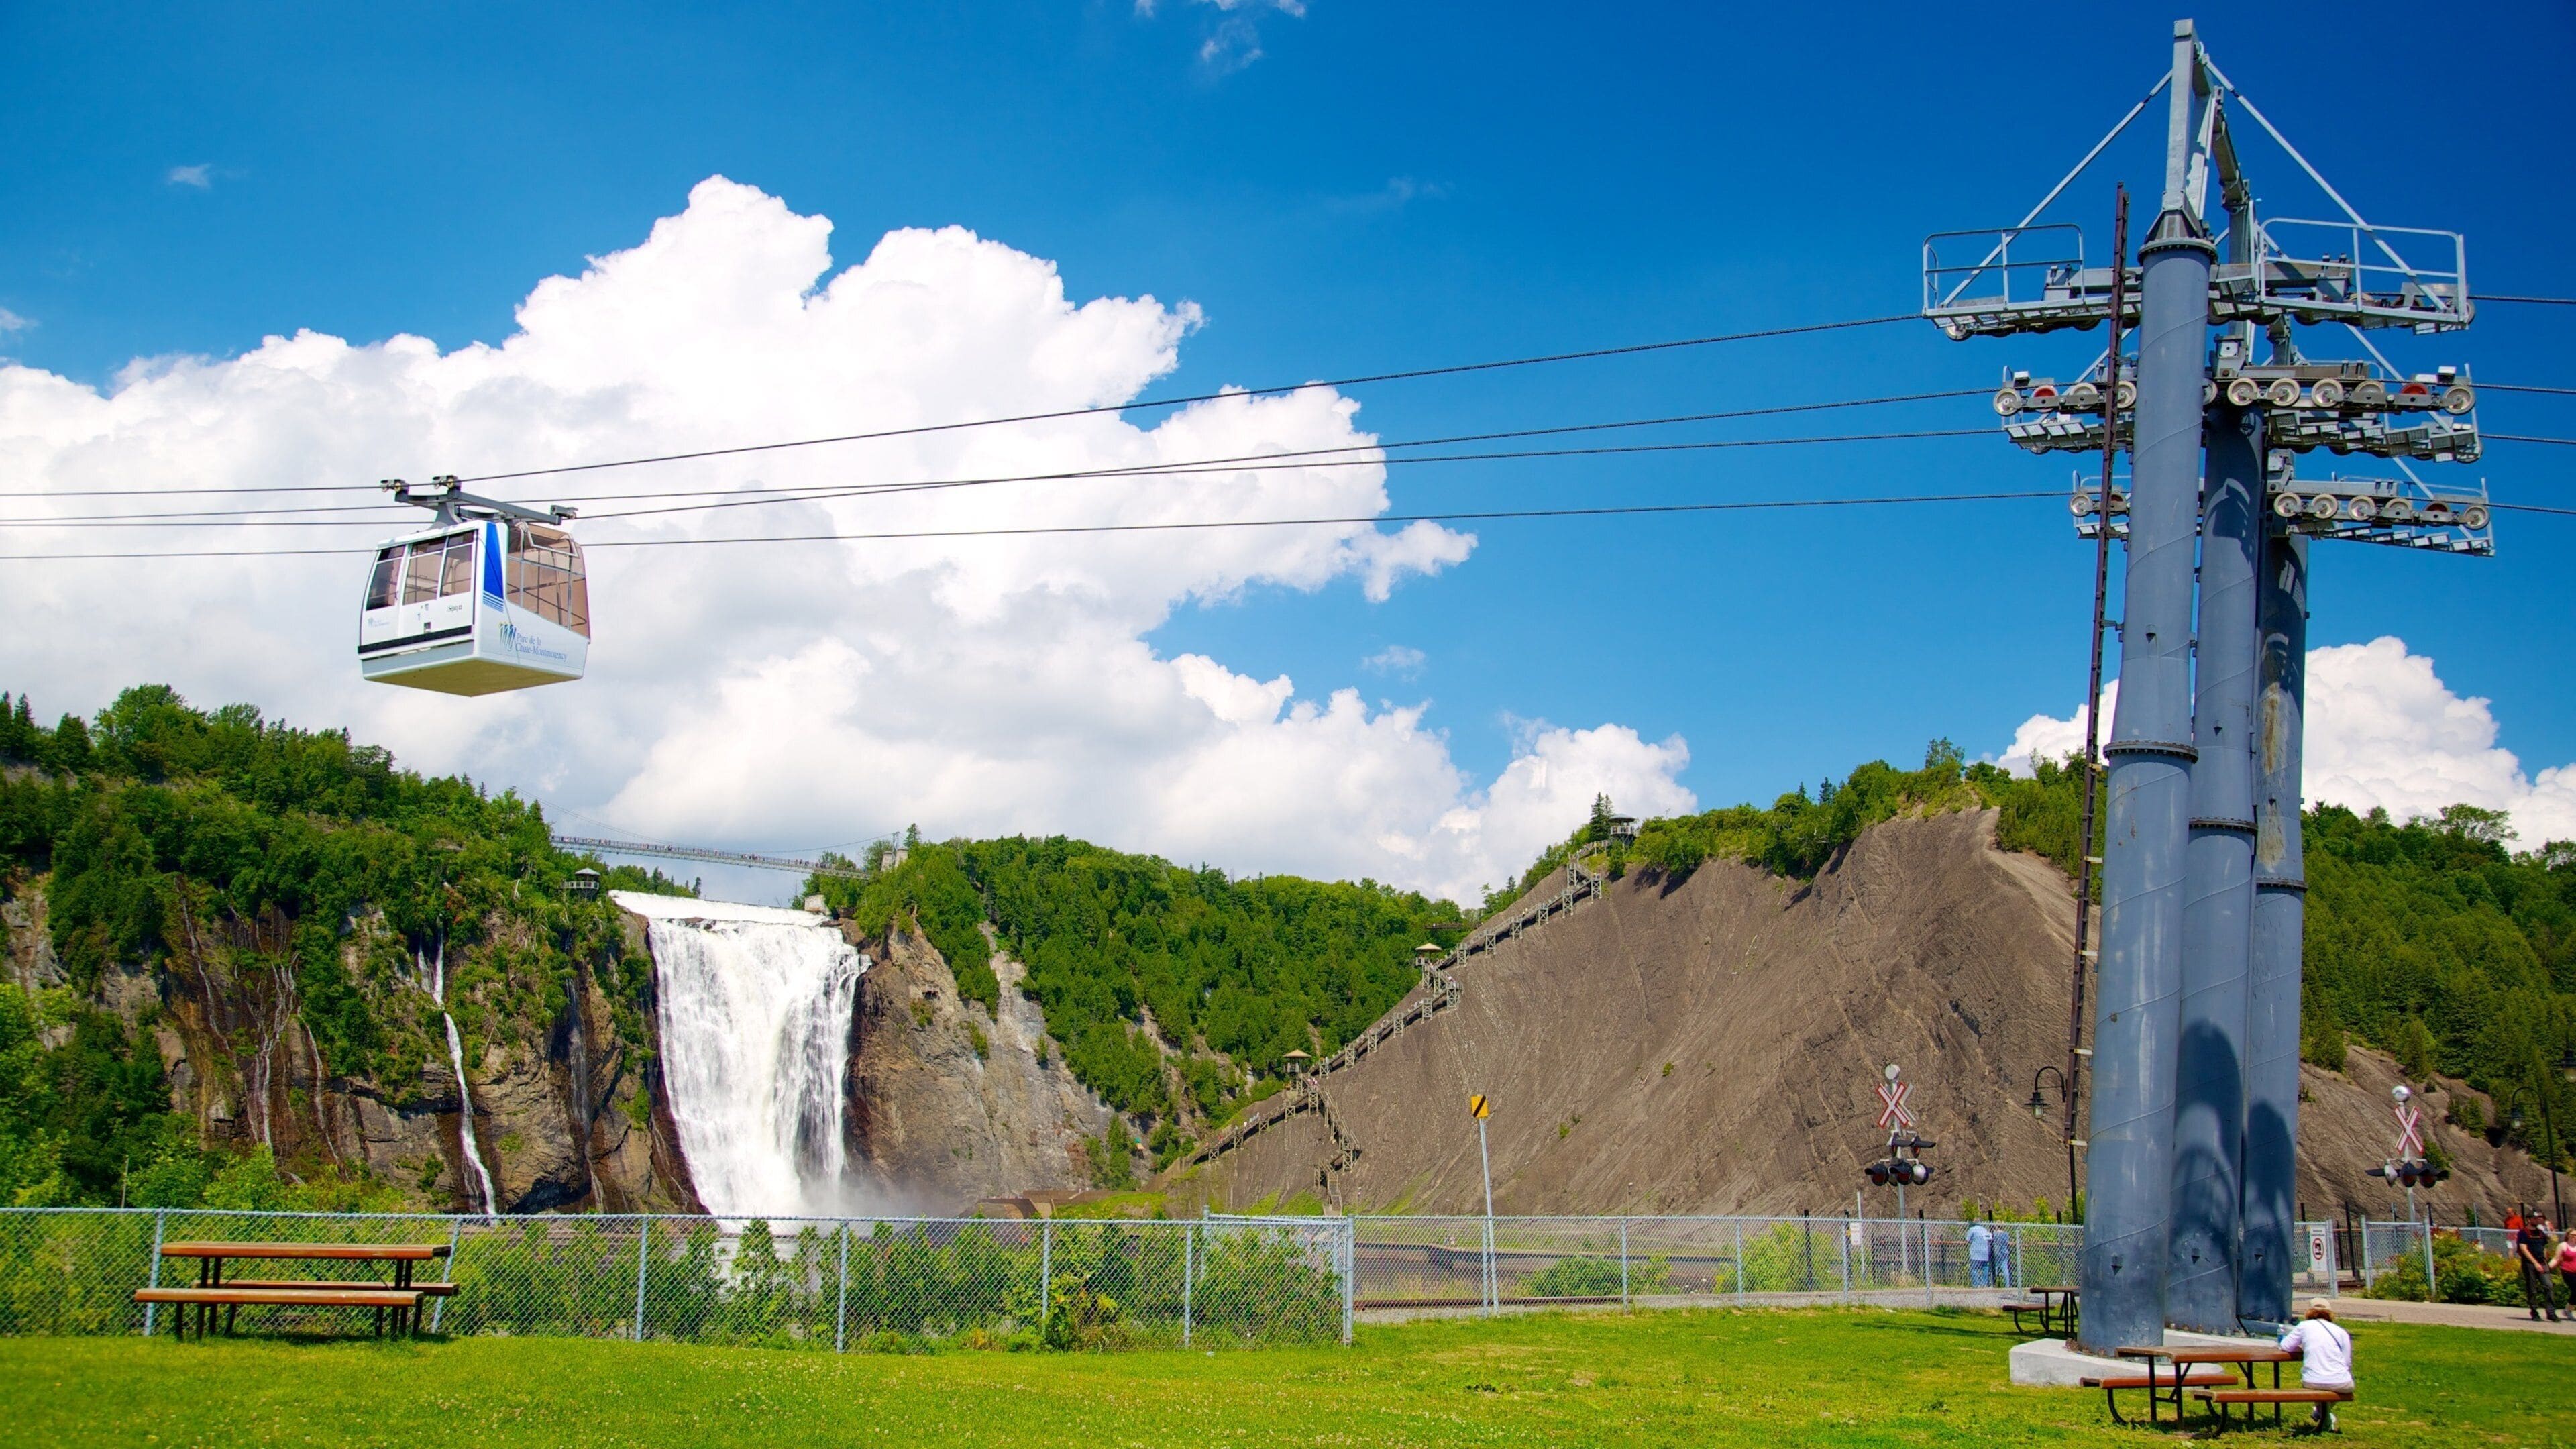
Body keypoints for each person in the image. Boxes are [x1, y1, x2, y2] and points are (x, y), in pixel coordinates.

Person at [2275, 1299, 2355, 1431]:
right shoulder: (2341, 1331)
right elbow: (2347, 1362)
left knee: (2320, 1386)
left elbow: (2285, 1346)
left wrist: (2304, 1348)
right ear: (2330, 1313)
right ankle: (2324, 1416)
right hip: (2341, 1381)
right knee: (2333, 1386)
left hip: (2312, 1380)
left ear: (2309, 1312)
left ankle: (2322, 1413)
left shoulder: (2304, 1326)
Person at [2516, 1216, 2561, 1322]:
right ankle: (2534, 1311)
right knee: (2532, 1288)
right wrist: (2535, 1263)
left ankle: (2551, 1312)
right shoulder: (2523, 1233)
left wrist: (2545, 1260)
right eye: (2535, 1218)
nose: (2538, 1220)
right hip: (2529, 1264)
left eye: (2539, 1219)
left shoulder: (2541, 1233)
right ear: (2529, 1219)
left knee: (2548, 1286)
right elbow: (2523, 1249)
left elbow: (2544, 1247)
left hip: (2542, 1262)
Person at [1966, 1214, 1995, 1288]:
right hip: (1985, 1252)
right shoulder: (1984, 1230)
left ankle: (1976, 1284)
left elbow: (1967, 1240)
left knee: (1974, 1268)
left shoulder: (1972, 1229)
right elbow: (1989, 1239)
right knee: (1985, 1268)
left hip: (1975, 1252)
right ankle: (1984, 1284)